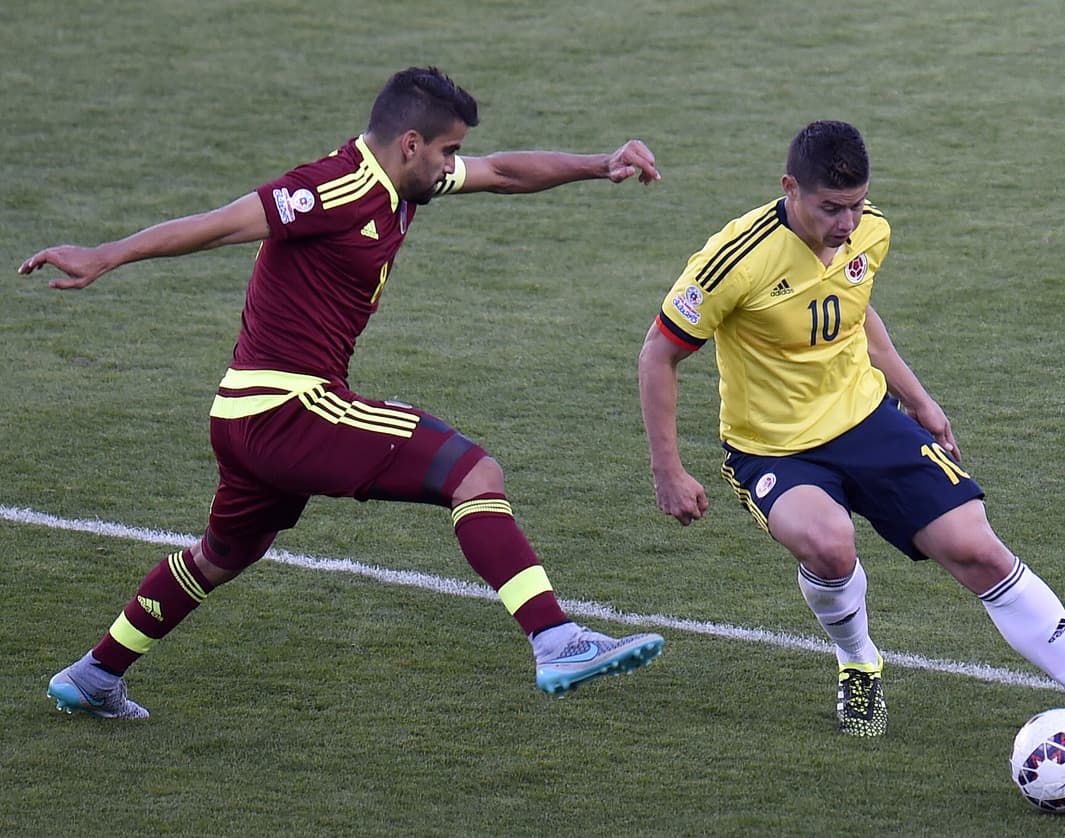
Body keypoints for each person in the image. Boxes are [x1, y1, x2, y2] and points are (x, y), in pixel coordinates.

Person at [21, 66, 665, 720]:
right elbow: (221, 225)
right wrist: (106, 255)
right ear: (410, 144)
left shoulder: (403, 182)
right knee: (472, 473)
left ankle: (96, 673)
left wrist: (598, 164)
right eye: (446, 151)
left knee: (223, 554)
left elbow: (501, 172)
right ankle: (557, 640)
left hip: (244, 415)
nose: (452, 165)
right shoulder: (332, 187)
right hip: (288, 409)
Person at [636, 119, 1065, 753]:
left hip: (868, 420)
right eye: (830, 207)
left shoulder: (872, 230)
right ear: (790, 188)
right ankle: (860, 662)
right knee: (828, 544)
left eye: (854, 204)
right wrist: (667, 470)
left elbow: (856, 307)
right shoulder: (735, 258)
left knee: (978, 549)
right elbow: (659, 353)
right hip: (773, 446)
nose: (847, 222)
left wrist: (919, 398)